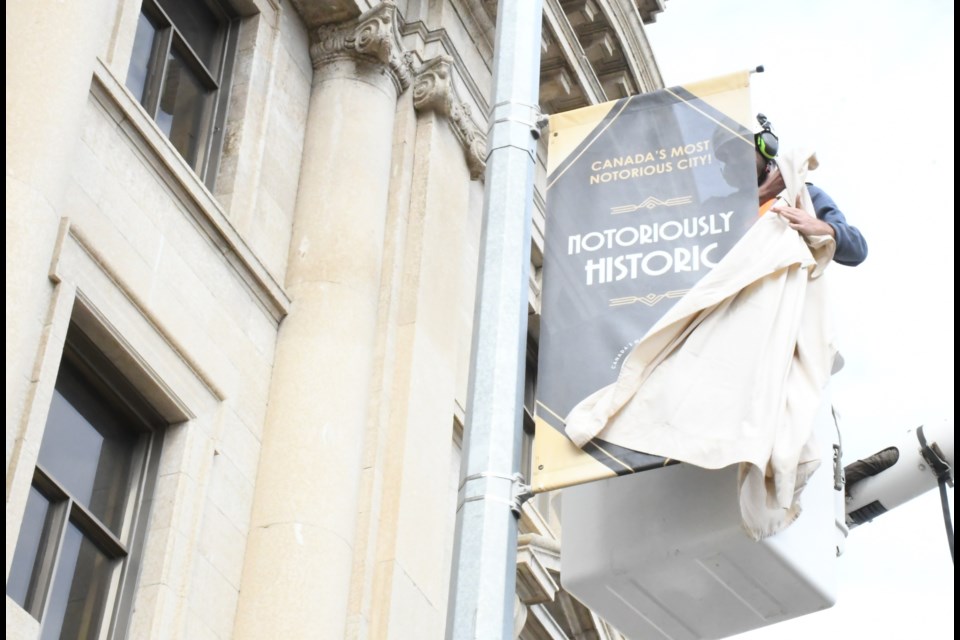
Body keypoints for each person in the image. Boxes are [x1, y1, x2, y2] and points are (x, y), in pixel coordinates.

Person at [752, 115, 869, 266]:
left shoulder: (802, 195)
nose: (731, 164)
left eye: (739, 152)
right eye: (724, 157)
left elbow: (857, 249)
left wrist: (823, 228)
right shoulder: (721, 209)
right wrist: (763, 194)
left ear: (766, 147)